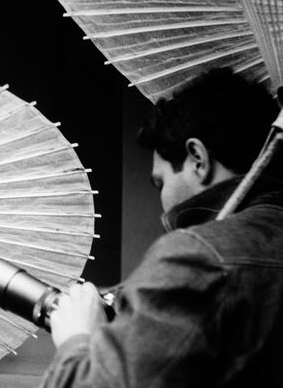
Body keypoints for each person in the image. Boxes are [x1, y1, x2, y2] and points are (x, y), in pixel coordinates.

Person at [43, 68, 283, 387]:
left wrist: (76, 338)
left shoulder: (196, 257)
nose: (163, 204)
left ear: (197, 158)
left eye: (161, 183)